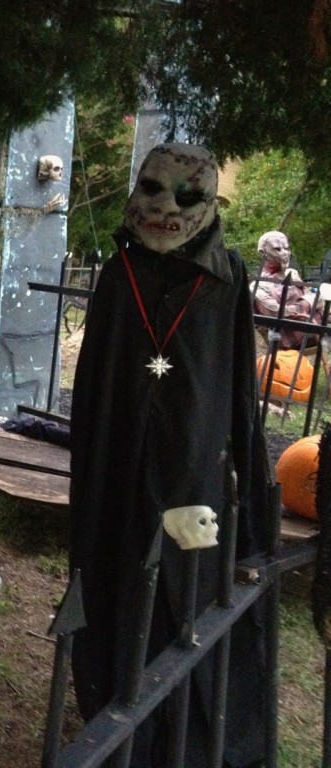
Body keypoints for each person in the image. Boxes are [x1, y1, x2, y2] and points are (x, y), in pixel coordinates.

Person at [68, 143, 274, 767]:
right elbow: (95, 385)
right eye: (154, 191)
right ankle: (119, 717)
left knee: (190, 590)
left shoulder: (225, 278)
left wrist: (242, 480)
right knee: (120, 582)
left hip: (194, 468)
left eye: (187, 197)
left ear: (209, 202)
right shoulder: (118, 276)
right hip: (119, 465)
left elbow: (235, 387)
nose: (166, 210)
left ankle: (189, 733)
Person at [251, 229, 322, 349]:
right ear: (263, 253)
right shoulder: (258, 286)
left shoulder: (292, 273)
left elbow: (318, 298)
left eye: (286, 248)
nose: (285, 253)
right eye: (277, 249)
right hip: (290, 340)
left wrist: (310, 301)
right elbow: (279, 315)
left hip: (316, 325)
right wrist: (308, 303)